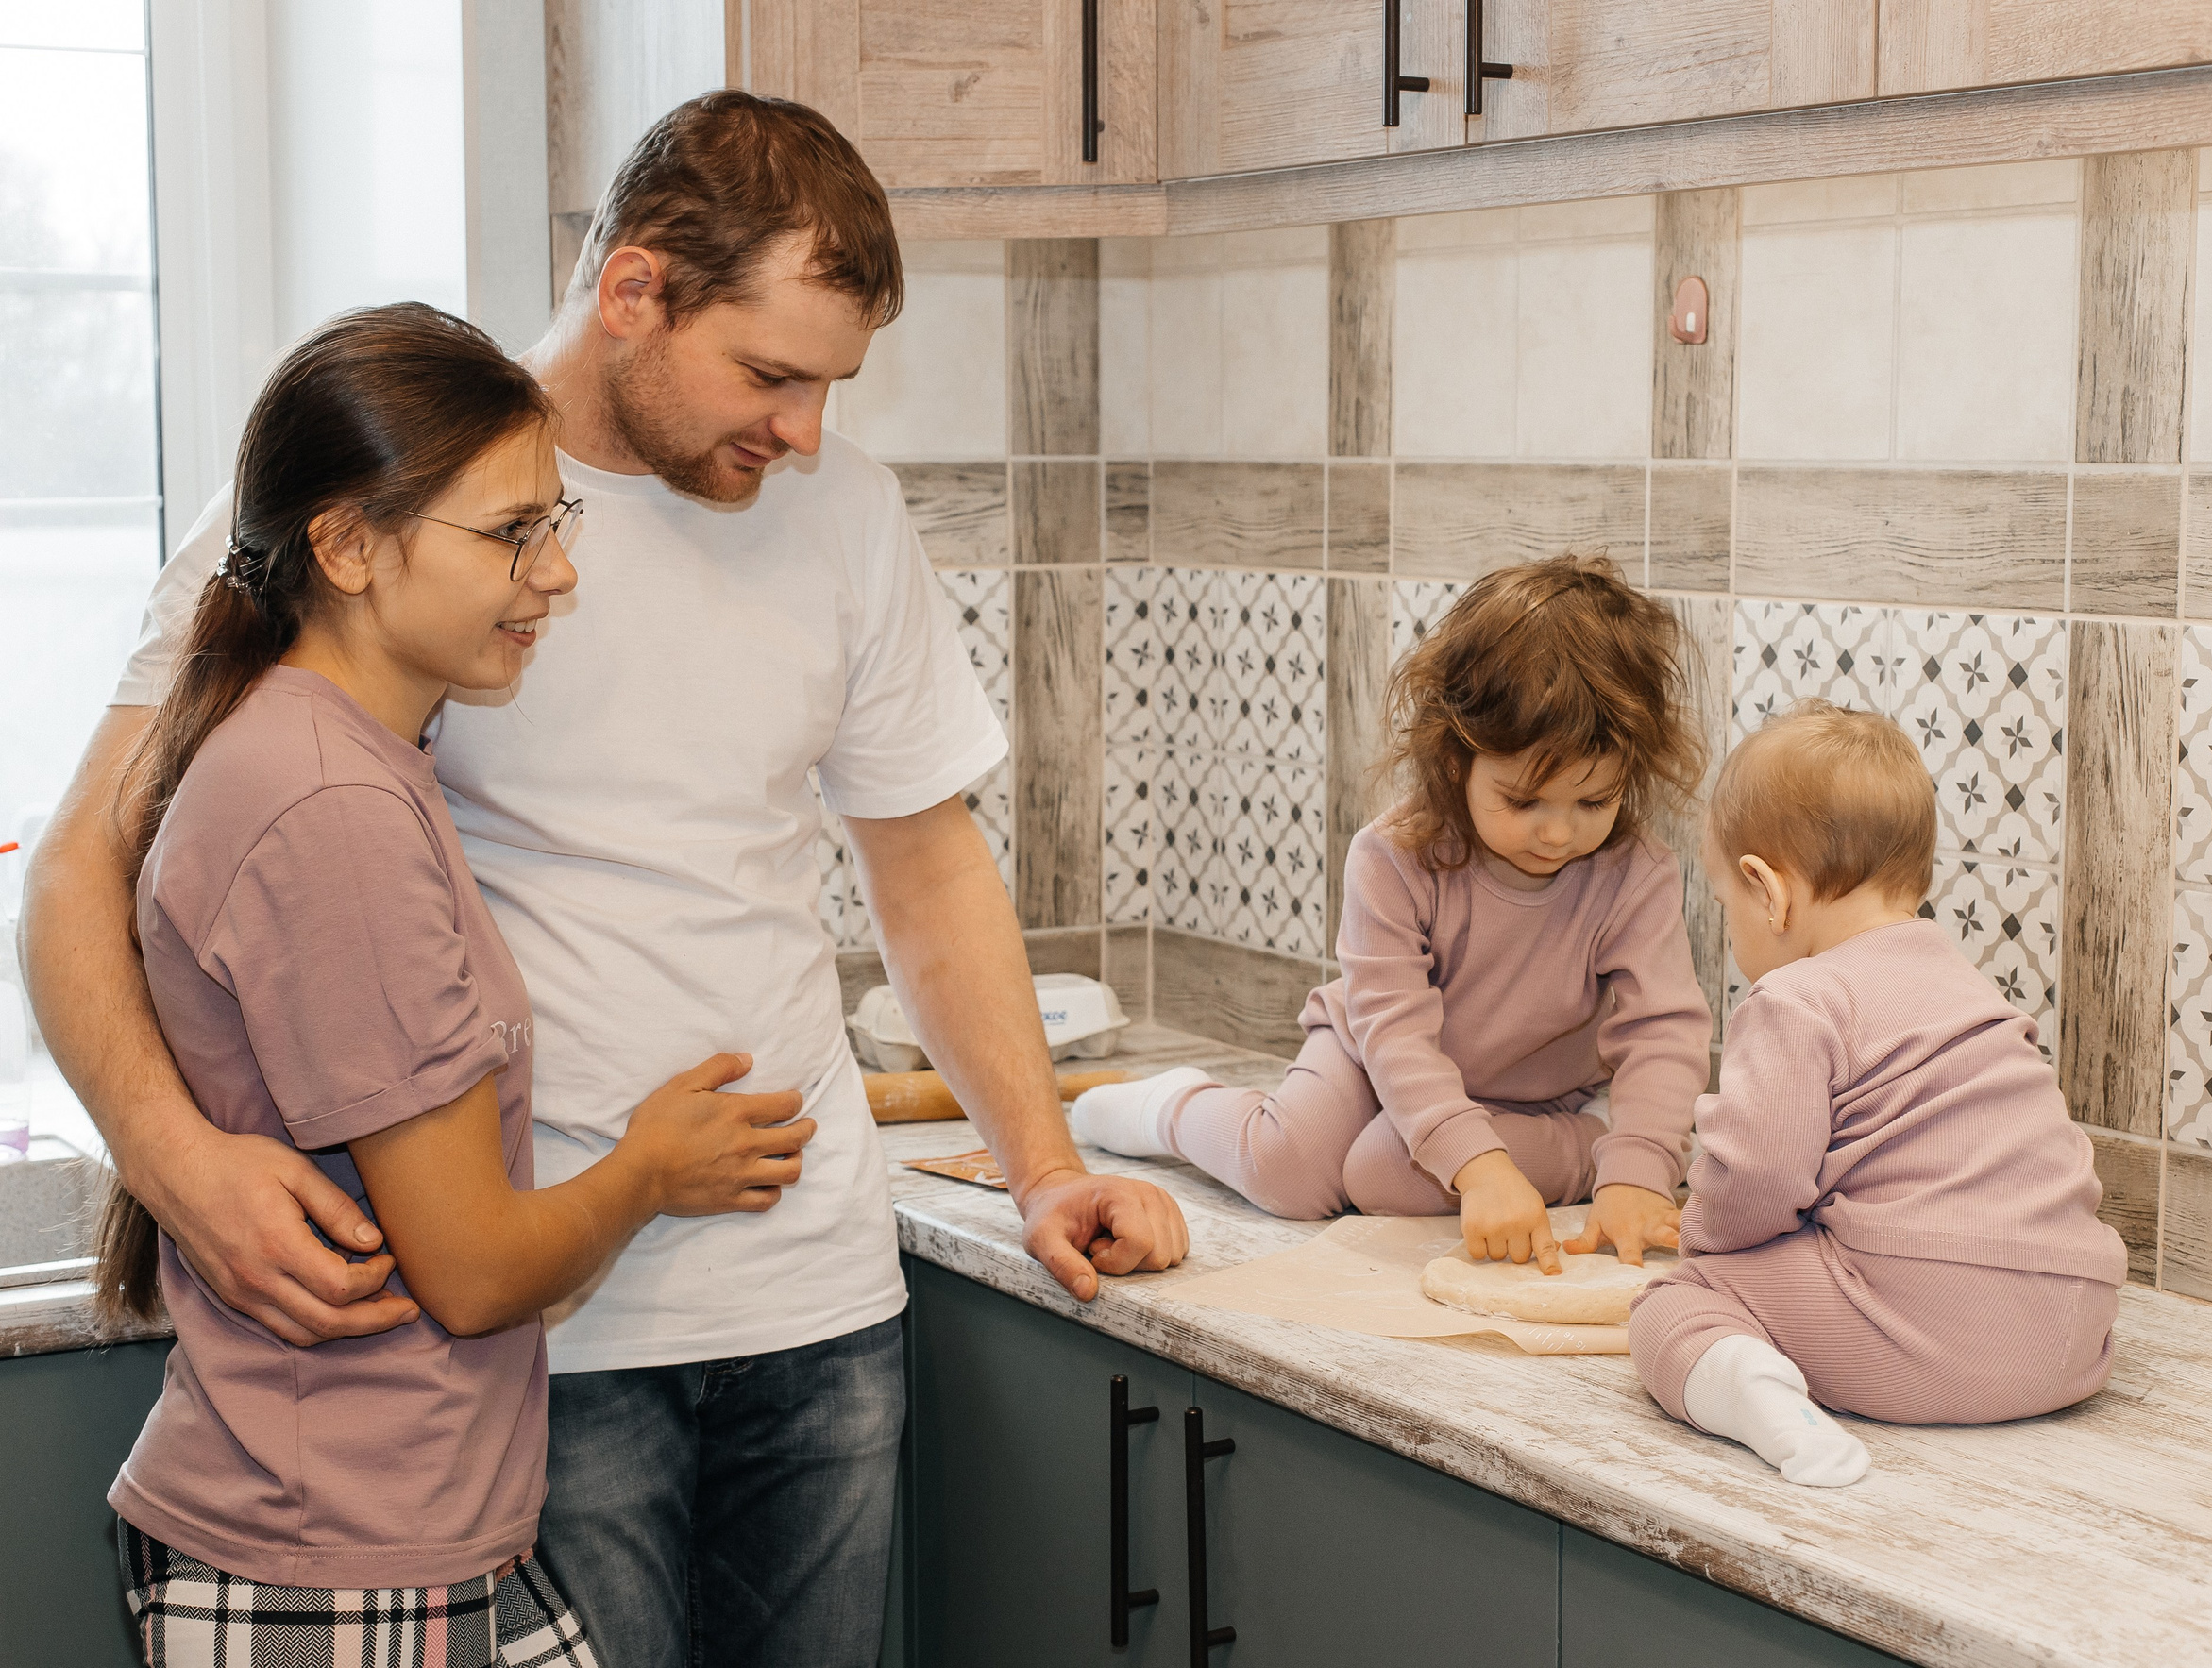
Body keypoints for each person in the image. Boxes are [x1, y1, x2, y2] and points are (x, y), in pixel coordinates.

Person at [24, 91, 1187, 1667]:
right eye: (770, 375)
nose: (804, 432)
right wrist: (175, 1161)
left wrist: (1043, 1168)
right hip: (532, 1336)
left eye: (830, 387)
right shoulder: (395, 510)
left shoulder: (845, 516)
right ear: (634, 288)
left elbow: (927, 869)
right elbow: (82, 868)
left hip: (818, 1306)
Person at [105, 302, 810, 1664]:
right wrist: (647, 1170)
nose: (557, 573)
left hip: (391, 1525)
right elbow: (476, 1270)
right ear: (348, 547)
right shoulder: (329, 808)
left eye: (556, 523)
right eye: (509, 534)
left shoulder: (348, 755)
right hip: (331, 1550)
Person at [1074, 553, 1713, 1270]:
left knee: (1382, 1172)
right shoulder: (1393, 855)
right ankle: (1170, 1105)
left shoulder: (1635, 874)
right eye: (1523, 800)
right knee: (1286, 1170)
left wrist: (1636, 1172)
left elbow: (1663, 1029)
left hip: (1538, 1095)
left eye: (1594, 801)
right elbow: (1394, 1030)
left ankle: (1598, 1136)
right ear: (1455, 759)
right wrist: (1480, 1167)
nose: (1559, 832)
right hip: (1374, 1048)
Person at [1626, 700, 2128, 1488]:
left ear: (1768, 891)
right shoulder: (1966, 985)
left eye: (1725, 905)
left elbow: (1754, 1179)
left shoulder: (1797, 998)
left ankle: (1758, 1398)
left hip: (1929, 1325)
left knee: (1675, 1302)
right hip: (2073, 1330)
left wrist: (1704, 1238)